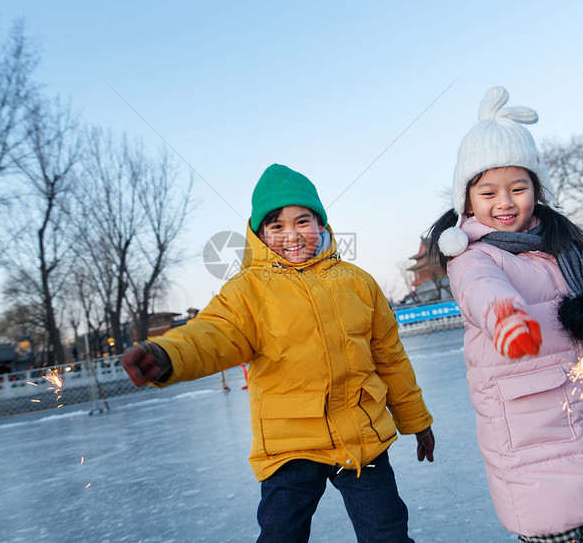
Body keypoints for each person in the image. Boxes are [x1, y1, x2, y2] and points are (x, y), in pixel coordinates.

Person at [121, 163, 436, 543]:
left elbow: (390, 359)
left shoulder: (358, 283)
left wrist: (416, 420)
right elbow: (214, 333)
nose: (292, 235)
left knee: (387, 534)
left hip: (360, 437)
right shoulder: (246, 292)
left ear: (321, 223)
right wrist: (167, 353)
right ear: (259, 233)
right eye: (276, 226)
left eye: (303, 221)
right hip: (289, 447)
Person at [426, 87, 583, 542]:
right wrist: (506, 320)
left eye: (518, 188)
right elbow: (483, 292)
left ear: (536, 191)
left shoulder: (562, 252)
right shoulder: (474, 257)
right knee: (550, 528)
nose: (504, 202)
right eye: (488, 192)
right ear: (467, 200)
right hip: (531, 435)